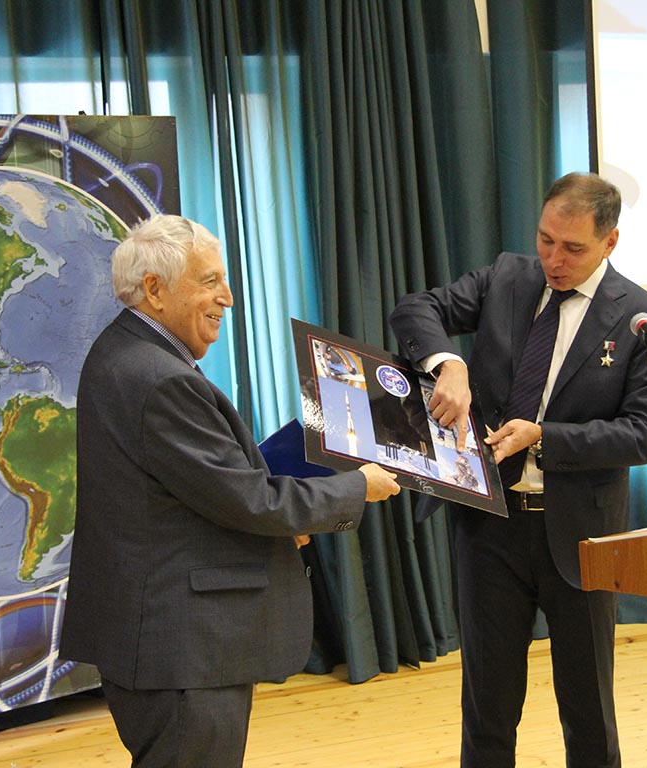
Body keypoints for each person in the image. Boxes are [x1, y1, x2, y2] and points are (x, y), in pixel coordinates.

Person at [60, 214, 400, 768]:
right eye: (210, 281)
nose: (228, 297)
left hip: (160, 638)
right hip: (182, 649)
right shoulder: (161, 379)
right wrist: (357, 487)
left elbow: (184, 495)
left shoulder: (122, 351)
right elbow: (251, 501)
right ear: (154, 290)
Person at [390, 172, 647, 768]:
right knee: (488, 708)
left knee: (588, 711)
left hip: (579, 533)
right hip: (491, 526)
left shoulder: (642, 318)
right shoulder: (508, 278)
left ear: (610, 242)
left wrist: (545, 437)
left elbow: (642, 434)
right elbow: (417, 308)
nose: (554, 259)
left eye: (572, 248)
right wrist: (449, 364)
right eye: (545, 240)